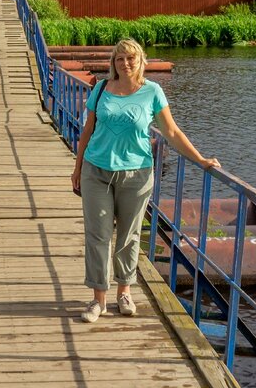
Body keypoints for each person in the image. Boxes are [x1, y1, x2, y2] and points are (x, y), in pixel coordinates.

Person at [71, 38, 220, 323]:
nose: (125, 64)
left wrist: (200, 160)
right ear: (113, 63)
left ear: (141, 61)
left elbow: (172, 132)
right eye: (119, 59)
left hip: (136, 174)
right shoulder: (102, 89)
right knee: (98, 235)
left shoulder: (152, 92)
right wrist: (77, 169)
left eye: (130, 58)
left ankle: (124, 292)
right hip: (96, 170)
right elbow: (87, 130)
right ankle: (98, 299)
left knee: (129, 235)